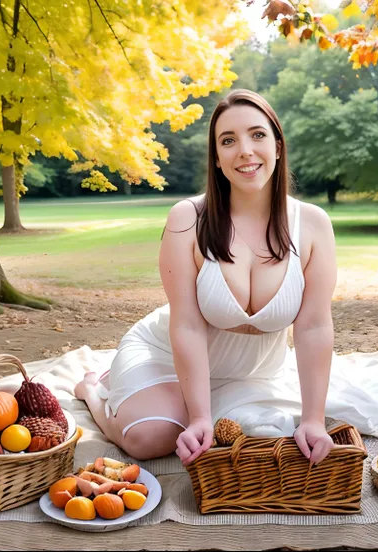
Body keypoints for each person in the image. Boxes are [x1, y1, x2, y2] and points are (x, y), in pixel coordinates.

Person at [75, 89, 337, 467]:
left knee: (270, 435)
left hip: (253, 372)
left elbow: (313, 327)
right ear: (216, 158)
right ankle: (93, 392)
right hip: (168, 353)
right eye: (228, 141)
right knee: (150, 437)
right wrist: (199, 417)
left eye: (257, 135)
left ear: (278, 147)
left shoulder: (313, 224)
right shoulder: (187, 219)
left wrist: (314, 420)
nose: (245, 150)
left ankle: (176, 402)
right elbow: (187, 325)